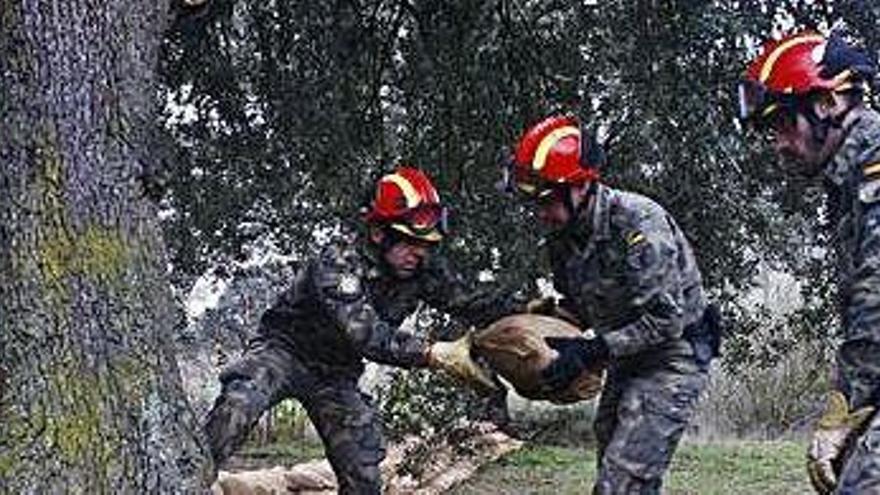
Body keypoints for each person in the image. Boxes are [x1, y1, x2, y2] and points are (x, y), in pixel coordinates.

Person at [204, 166, 513, 494]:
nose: (419, 253)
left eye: (427, 244)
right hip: (282, 353)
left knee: (364, 474)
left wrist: (534, 311)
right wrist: (433, 353)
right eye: (410, 242)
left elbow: (472, 299)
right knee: (237, 407)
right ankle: (182, 484)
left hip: (337, 373)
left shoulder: (421, 268)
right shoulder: (339, 260)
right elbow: (366, 335)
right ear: (379, 233)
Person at [502, 115, 720, 494]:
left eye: (548, 200)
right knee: (614, 464)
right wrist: (546, 324)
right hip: (627, 353)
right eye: (534, 202)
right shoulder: (563, 237)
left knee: (622, 481)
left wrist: (594, 350)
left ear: (582, 185)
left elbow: (667, 320)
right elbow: (584, 306)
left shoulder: (639, 223)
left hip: (674, 353)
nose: (541, 213)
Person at [738, 30, 880, 494]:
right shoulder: (853, 173)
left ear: (825, 105)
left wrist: (845, 413)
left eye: (781, 124)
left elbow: (876, 296)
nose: (776, 143)